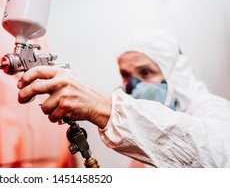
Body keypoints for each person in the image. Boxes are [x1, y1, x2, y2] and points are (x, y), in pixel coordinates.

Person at [16, 29, 230, 167]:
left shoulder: (210, 110)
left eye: (145, 73)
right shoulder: (146, 134)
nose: (133, 86)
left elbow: (219, 156)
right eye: (127, 76)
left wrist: (102, 107)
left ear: (175, 76)